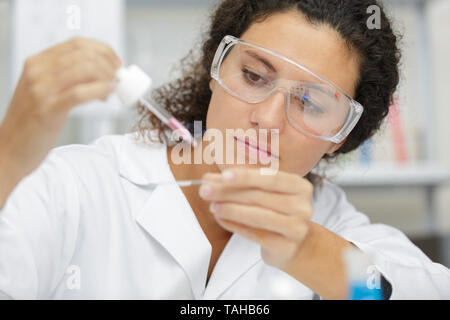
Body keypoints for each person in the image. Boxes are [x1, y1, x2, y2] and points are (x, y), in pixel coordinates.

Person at [0, 0, 449, 300]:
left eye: (311, 102)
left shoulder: (328, 222)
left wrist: (307, 249)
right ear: (216, 66)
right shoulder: (74, 187)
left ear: (344, 136)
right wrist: (9, 156)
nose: (268, 118)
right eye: (254, 76)